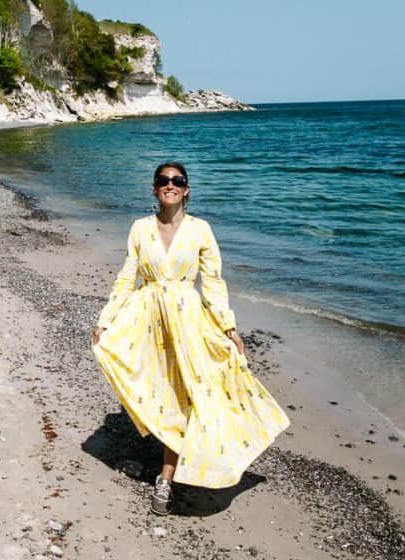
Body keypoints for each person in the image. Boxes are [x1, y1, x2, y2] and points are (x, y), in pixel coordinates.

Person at [91, 161, 290, 514]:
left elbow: (213, 283)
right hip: (148, 320)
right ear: (154, 188)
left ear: (186, 190)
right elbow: (127, 276)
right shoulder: (140, 229)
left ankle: (167, 477)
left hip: (187, 321)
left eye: (177, 180)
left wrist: (228, 327)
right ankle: (171, 457)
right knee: (160, 390)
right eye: (163, 180)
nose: (170, 185)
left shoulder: (201, 230)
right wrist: (106, 319)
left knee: (188, 394)